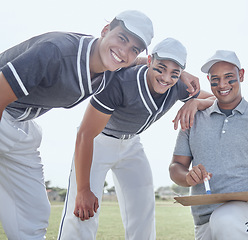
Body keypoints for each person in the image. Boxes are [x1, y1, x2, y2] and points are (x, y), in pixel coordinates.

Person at [0, 10, 155, 240]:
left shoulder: (108, 66)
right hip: (5, 115)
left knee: (34, 216)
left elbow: (138, 64)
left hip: (20, 124)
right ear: (105, 30)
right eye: (122, 38)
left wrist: (180, 74)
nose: (124, 52)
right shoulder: (56, 51)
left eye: (134, 49)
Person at [57, 38, 214, 240]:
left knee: (143, 210)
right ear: (149, 60)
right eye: (161, 69)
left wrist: (195, 103)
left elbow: (218, 100)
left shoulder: (178, 86)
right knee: (82, 211)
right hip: (97, 141)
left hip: (131, 143)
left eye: (175, 73)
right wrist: (83, 189)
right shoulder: (120, 82)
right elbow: (85, 134)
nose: (166, 78)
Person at [169, 50, 248, 240]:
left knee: (224, 219)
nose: (222, 84)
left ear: (241, 75)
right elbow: (176, 167)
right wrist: (188, 177)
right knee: (220, 220)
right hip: (204, 219)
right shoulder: (193, 119)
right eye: (215, 79)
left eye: (229, 77)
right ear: (209, 80)